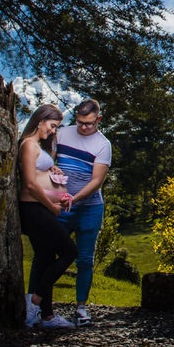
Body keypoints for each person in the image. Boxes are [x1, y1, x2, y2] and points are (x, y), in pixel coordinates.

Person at [51, 98, 112, 326]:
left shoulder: (103, 144)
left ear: (98, 119)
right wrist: (52, 167)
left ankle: (81, 308)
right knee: (48, 252)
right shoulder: (63, 134)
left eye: (88, 123)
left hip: (89, 208)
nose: (83, 127)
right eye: (79, 122)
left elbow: (97, 181)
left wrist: (74, 199)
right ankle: (38, 302)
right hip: (60, 206)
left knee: (85, 259)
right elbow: (47, 158)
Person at [18, 104, 78, 329]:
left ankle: (47, 316)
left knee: (45, 257)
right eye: (52, 126)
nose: (53, 131)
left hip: (40, 208)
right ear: (41, 120)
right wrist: (52, 207)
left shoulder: (37, 148)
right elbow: (30, 184)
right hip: (33, 210)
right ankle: (33, 301)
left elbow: (39, 175)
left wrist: (53, 171)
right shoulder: (28, 145)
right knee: (69, 251)